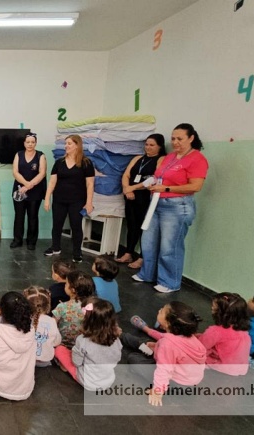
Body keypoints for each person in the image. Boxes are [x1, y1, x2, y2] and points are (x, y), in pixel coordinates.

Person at [132, 124, 209, 293]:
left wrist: (167, 189)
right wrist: (140, 186)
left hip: (177, 206)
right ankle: (147, 274)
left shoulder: (197, 159)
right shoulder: (171, 157)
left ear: (191, 138)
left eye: (180, 139)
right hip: (157, 203)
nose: (175, 142)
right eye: (173, 138)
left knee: (169, 247)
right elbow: (158, 176)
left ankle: (169, 282)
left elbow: (196, 186)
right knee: (148, 241)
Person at [123, 301, 207, 406]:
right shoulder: (188, 335)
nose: (159, 310)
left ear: (167, 323)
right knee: (147, 344)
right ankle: (124, 336)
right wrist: (151, 335)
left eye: (162, 311)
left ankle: (122, 336)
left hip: (177, 384)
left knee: (133, 358)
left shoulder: (168, 344)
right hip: (190, 381)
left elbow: (164, 370)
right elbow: (165, 340)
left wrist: (157, 392)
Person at [117, 133, 167, 269]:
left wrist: (132, 188)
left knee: (145, 227)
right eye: (146, 144)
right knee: (132, 225)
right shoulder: (138, 158)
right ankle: (128, 252)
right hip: (130, 196)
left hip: (145, 197)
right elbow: (126, 174)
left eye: (152, 145)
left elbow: (153, 179)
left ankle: (142, 257)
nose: (148, 148)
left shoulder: (161, 159)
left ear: (160, 146)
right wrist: (127, 189)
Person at [44, 134, 95, 263]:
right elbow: (52, 182)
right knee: (57, 225)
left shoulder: (86, 163)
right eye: (65, 143)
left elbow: (90, 184)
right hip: (59, 200)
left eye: (69, 143)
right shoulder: (59, 162)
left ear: (77, 145)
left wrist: (89, 203)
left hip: (77, 201)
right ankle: (55, 247)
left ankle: (77, 252)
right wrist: (47, 198)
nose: (66, 146)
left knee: (76, 226)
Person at [53, 298, 122, 391]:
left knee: (59, 349)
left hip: (87, 381)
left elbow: (76, 362)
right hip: (108, 381)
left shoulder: (82, 340)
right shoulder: (116, 339)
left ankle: (65, 367)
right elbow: (117, 358)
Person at [195, 293, 251, 376]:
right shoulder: (244, 331)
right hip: (241, 368)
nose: (211, 308)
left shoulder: (215, 331)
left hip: (223, 368)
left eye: (214, 308)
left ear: (221, 313)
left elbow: (200, 347)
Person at [11, 132, 47, 250]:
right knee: (19, 216)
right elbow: (15, 172)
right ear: (24, 143)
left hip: (35, 191)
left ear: (35, 143)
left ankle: (31, 242)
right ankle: (17, 240)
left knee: (32, 216)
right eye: (28, 142)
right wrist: (25, 184)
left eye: (32, 142)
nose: (30, 144)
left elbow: (42, 173)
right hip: (19, 190)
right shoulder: (18, 154)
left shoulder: (40, 156)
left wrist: (29, 186)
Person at [52, 270, 96, 348]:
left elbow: (52, 325)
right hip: (83, 345)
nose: (65, 286)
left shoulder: (62, 307)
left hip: (63, 343)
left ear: (73, 290)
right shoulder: (94, 306)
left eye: (66, 284)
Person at [23, 286, 61, 367]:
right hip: (45, 360)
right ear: (47, 305)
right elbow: (57, 341)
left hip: (26, 359)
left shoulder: (23, 320)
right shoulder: (52, 321)